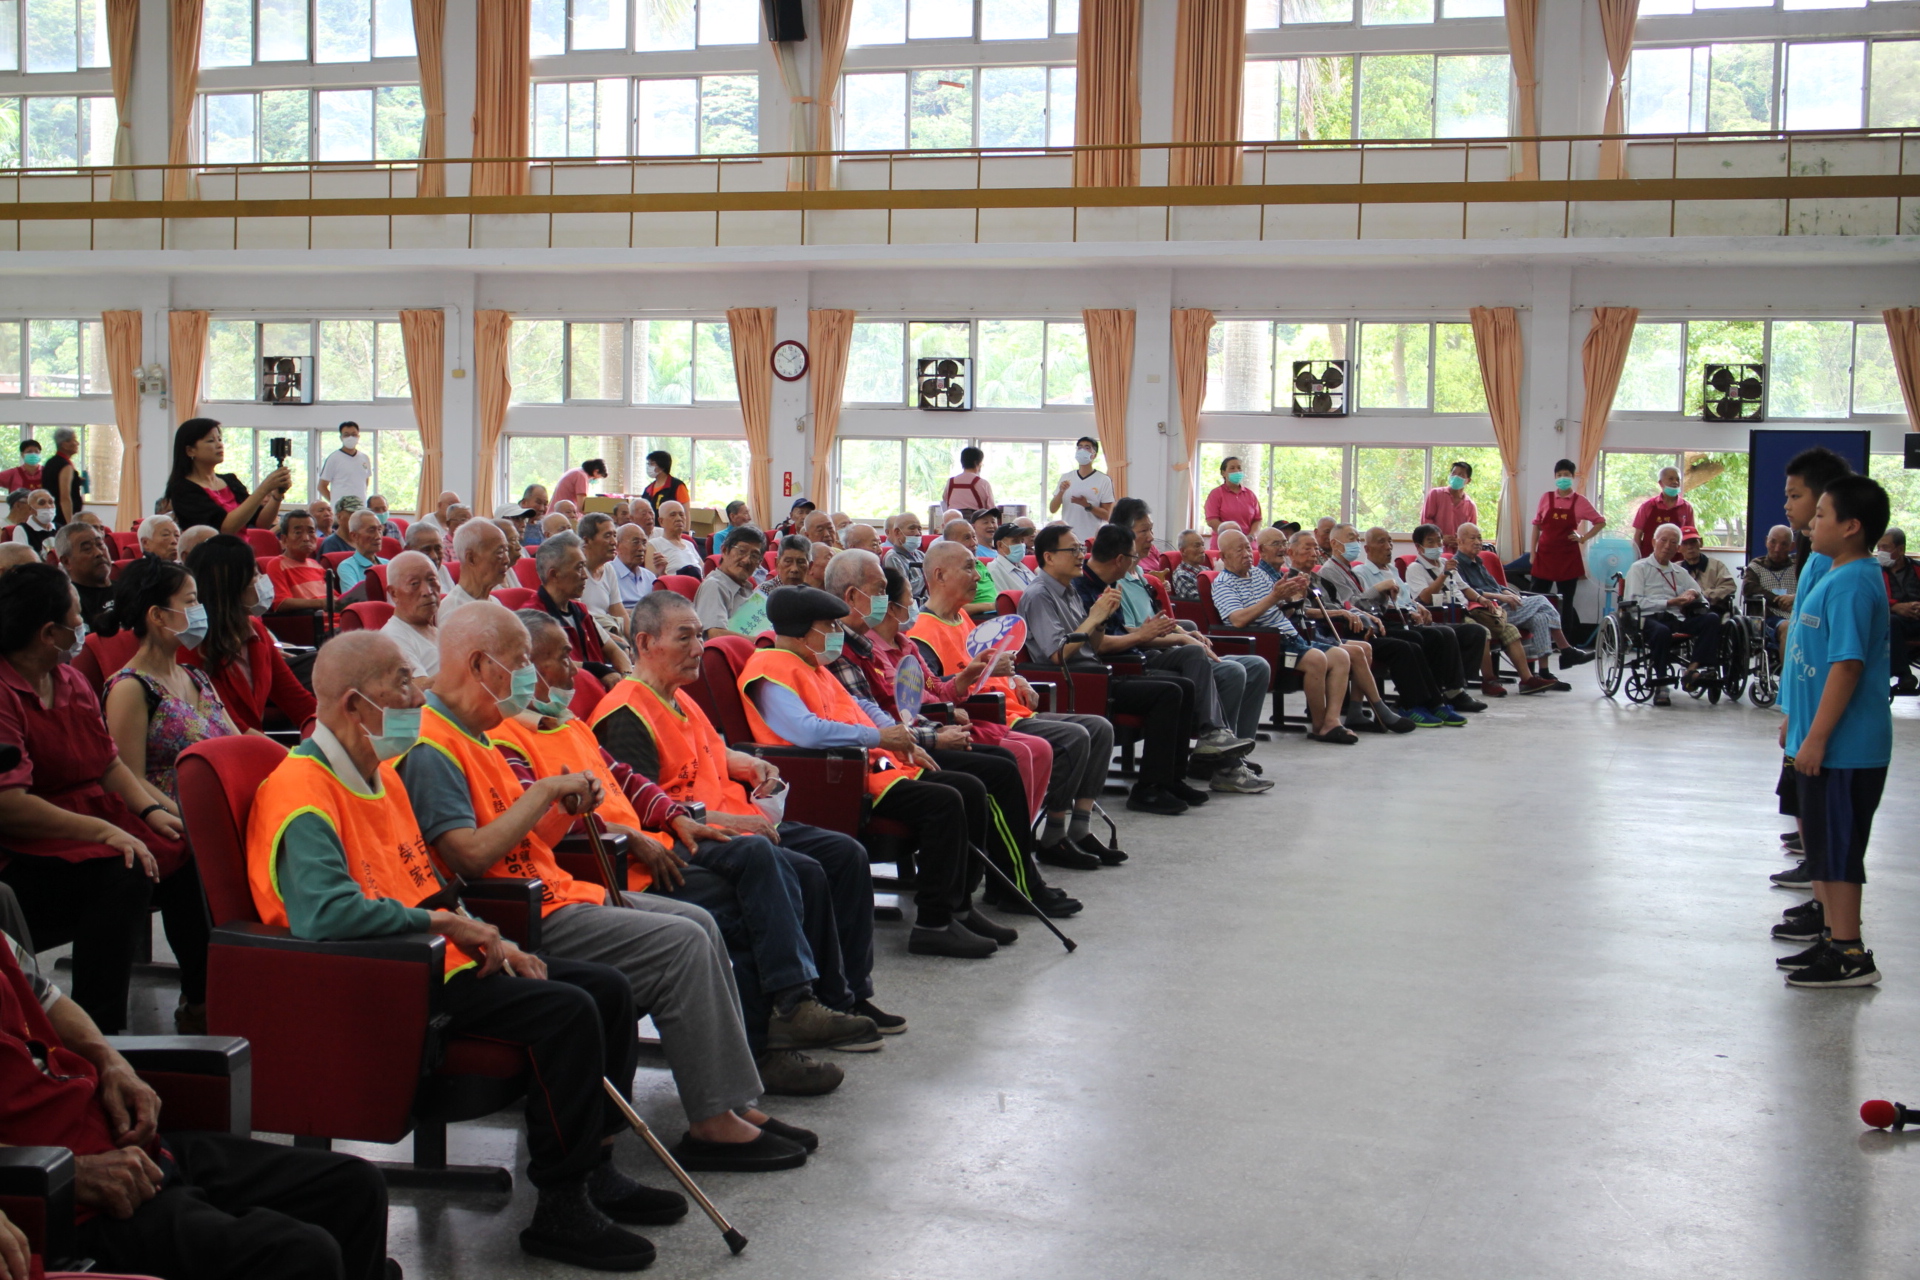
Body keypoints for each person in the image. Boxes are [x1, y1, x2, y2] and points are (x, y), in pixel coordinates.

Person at [252, 631, 679, 1270]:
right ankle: (561, 1205)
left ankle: (596, 1168)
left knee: (606, 990)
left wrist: (491, 934)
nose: (415, 694)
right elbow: (325, 912)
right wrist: (454, 930)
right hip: (381, 981)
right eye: (400, 682)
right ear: (351, 704)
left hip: (436, 961)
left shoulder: (379, 776)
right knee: (566, 1013)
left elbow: (434, 885)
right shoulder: (300, 790)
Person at [399, 604, 808, 1174]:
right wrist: (545, 795)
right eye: (521, 662)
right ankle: (711, 1121)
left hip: (556, 888)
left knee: (702, 925)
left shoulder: (481, 731)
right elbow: (465, 855)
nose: (532, 676)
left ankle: (733, 1102)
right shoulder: (433, 744)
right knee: (682, 943)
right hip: (518, 911)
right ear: (480, 664)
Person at [501, 610, 878, 1093]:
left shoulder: (569, 722)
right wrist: (656, 828)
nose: (577, 669)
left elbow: (631, 781)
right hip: (620, 859)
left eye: (702, 635)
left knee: (816, 861)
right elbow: (552, 814)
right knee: (747, 892)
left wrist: (703, 798)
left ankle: (822, 1001)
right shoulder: (595, 717)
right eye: (560, 659)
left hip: (677, 831)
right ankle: (775, 1030)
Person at [595, 595, 906, 1052]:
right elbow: (640, 808)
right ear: (644, 643)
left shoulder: (678, 697)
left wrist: (748, 764)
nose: (699, 647)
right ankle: (793, 1004)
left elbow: (707, 750)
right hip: (685, 836)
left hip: (731, 816)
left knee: (842, 854)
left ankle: (846, 997)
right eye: (685, 637)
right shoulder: (625, 713)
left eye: (701, 635)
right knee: (800, 869)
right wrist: (727, 820)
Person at [0, 924, 394, 1280]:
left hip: (123, 1143)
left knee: (355, 1188)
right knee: (302, 1254)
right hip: (63, 1198)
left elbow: (49, 1001)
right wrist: (73, 1173)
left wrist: (110, 1061)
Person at [738, 585, 1014, 955]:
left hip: (870, 767)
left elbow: (860, 706)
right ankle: (933, 923)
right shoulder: (767, 669)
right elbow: (806, 731)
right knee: (944, 801)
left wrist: (902, 739)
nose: (837, 632)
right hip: (829, 779)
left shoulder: (812, 664)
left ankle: (959, 907)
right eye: (829, 625)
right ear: (803, 629)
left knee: (970, 788)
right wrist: (878, 737)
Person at [0, 564, 204, 1035]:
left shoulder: (68, 680)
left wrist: (154, 812)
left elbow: (109, 764)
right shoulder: (5, 690)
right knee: (124, 874)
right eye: (76, 616)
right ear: (48, 632)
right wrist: (107, 832)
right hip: (28, 836)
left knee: (186, 851)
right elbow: (9, 802)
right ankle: (99, 1029)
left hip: (87, 814)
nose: (83, 625)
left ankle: (201, 998)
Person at [828, 548, 1081, 915]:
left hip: (913, 738)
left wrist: (961, 684)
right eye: (881, 590)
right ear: (853, 596)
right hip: (889, 755)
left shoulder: (879, 645)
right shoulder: (841, 650)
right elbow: (873, 717)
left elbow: (919, 695)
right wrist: (934, 734)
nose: (893, 603)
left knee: (1000, 764)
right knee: (993, 771)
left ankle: (994, 889)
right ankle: (1001, 889)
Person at [909, 544, 1125, 869]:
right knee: (1076, 737)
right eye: (969, 567)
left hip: (1014, 708)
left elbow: (997, 664)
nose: (978, 575)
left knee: (1100, 727)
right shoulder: (922, 634)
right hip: (990, 716)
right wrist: (981, 676)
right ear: (939, 575)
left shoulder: (964, 618)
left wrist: (1017, 680)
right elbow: (935, 691)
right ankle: (1051, 833)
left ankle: (1078, 826)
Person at [100, 557, 236, 1035]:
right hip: (165, 823)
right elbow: (126, 778)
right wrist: (188, 817)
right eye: (191, 602)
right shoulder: (130, 689)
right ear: (158, 616)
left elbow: (234, 749)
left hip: (217, 818)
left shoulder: (196, 678)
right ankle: (202, 998)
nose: (200, 611)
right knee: (197, 861)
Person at [1776, 474, 1894, 989]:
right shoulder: (1833, 575)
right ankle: (1831, 937)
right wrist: (1797, 725)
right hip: (1821, 741)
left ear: (1851, 527)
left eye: (1822, 514)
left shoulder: (1852, 583)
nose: (1812, 522)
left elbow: (1846, 667)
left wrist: (1819, 737)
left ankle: (1850, 953)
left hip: (1847, 748)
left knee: (1841, 850)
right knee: (1822, 845)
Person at [1021, 523, 1214, 806]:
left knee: (1182, 686)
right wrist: (1093, 617)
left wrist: (1102, 617)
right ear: (1049, 557)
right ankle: (1148, 788)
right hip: (1076, 680)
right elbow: (1057, 655)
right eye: (1073, 550)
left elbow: (1095, 645)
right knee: (1169, 692)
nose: (1081, 556)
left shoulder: (1069, 589)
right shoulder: (1039, 595)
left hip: (1096, 670)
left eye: (1081, 549)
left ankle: (1172, 780)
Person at [1111, 500, 1274, 776]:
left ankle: (1233, 752)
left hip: (1166, 650)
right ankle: (1222, 761)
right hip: (1146, 659)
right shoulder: (1114, 578)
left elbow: (1157, 622)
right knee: (1231, 671)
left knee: (1257, 666)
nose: (1151, 538)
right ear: (1123, 534)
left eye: (1151, 529)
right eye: (1144, 531)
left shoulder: (1139, 574)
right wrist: (1184, 640)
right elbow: (1134, 633)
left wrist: (1185, 631)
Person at [1318, 522, 1479, 728]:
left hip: (1374, 621)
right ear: (1335, 543)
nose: (1355, 544)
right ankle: (1413, 703)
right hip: (1356, 630)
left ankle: (1436, 699)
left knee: (1434, 636)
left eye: (1357, 539)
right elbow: (1352, 606)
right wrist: (1378, 589)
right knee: (1408, 643)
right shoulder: (1331, 571)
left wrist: (1391, 598)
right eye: (1351, 539)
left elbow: (1369, 605)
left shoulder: (1347, 569)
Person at [1208, 527, 1355, 743]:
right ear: (1223, 556)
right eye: (1239, 550)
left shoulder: (1258, 574)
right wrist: (1274, 597)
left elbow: (1282, 609)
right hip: (1269, 643)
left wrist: (1294, 596)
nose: (1247, 554)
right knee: (1317, 659)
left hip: (1290, 636)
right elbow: (1238, 620)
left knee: (1342, 657)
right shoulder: (1223, 583)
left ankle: (1332, 721)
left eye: (1248, 548)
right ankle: (1319, 725)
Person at [1269, 532, 1413, 734]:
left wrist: (1360, 613)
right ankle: (1378, 708)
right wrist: (1340, 612)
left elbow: (1340, 603)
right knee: (1358, 650)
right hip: (1307, 632)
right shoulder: (1289, 579)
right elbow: (1302, 610)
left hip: (1329, 627)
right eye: (1307, 548)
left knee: (1365, 647)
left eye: (1315, 548)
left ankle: (1356, 711)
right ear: (1291, 553)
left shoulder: (1318, 579)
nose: (1313, 553)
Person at [181, 536, 317, 733]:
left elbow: (297, 700)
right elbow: (231, 727)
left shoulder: (256, 631)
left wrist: (338, 737)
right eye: (255, 575)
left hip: (256, 746)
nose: (262, 581)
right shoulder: (193, 646)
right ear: (232, 586)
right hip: (225, 752)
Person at [1349, 524, 1489, 712]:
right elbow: (1369, 605)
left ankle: (1452, 688)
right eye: (1382, 542)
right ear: (1367, 549)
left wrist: (1418, 606)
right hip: (1394, 621)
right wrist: (1409, 612)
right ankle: (1440, 693)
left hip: (1413, 617)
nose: (1389, 546)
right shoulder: (1362, 573)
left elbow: (1408, 598)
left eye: (1390, 541)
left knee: (1474, 631)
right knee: (1441, 634)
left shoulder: (1392, 570)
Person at [1402, 524, 1553, 696]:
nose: (1436, 546)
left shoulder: (1445, 562)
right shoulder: (1415, 569)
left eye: (1438, 541)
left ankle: (1527, 679)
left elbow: (1465, 588)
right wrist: (1443, 574)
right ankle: (1489, 680)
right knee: (1482, 632)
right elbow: (1425, 598)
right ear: (1419, 546)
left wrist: (1482, 599)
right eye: (1430, 542)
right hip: (1446, 614)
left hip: (1469, 609)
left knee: (1509, 629)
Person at [1453, 523, 1591, 674]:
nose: (1478, 542)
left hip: (1502, 607)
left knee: (1541, 617)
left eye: (1479, 538)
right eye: (1472, 538)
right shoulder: (1457, 564)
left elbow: (1496, 586)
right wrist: (1500, 596)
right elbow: (1467, 591)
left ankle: (1544, 672)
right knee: (1540, 600)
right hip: (1487, 612)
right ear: (1460, 541)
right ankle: (1566, 649)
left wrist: (1509, 593)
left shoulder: (1478, 561)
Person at [1622, 523, 1722, 707]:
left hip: (1676, 619)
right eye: (1663, 540)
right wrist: (1669, 602)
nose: (1667, 546)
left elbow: (1701, 595)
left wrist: (1693, 593)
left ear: (1678, 548)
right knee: (1661, 632)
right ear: (1654, 542)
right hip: (1647, 618)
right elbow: (1635, 603)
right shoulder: (1639, 568)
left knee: (1712, 619)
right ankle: (1661, 682)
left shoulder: (1679, 572)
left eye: (1673, 542)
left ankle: (1691, 670)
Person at [163, 419, 290, 537]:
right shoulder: (183, 489)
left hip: (241, 553)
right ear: (190, 451)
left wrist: (277, 495)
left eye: (219, 439)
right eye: (210, 441)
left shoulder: (230, 481)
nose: (219, 445)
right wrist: (263, 488)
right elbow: (226, 528)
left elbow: (261, 522)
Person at [535, 531, 631, 680]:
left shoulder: (580, 610)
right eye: (579, 568)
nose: (585, 576)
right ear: (553, 574)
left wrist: (626, 675)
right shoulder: (534, 616)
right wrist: (599, 670)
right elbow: (546, 665)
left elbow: (613, 650)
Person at [1529, 457, 1606, 636]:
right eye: (1559, 475)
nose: (1563, 477)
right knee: (1536, 598)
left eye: (1567, 475)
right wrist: (1533, 552)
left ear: (1573, 477)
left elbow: (1600, 522)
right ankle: (1535, 635)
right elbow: (1536, 525)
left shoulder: (1580, 501)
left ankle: (1566, 642)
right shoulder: (1546, 498)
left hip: (1567, 558)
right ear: (1555, 477)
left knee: (1566, 601)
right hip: (1545, 555)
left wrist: (1583, 538)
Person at [379, 550, 442, 684]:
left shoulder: (441, 628)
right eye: (414, 584)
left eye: (432, 580)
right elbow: (418, 690)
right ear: (394, 594)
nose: (428, 591)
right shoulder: (392, 638)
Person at [695, 524, 767, 637]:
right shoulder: (714, 585)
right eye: (741, 551)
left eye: (754, 556)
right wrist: (763, 643)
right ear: (724, 550)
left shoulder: (747, 587)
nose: (747, 560)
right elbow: (715, 634)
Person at [577, 512, 632, 658]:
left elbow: (619, 611)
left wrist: (636, 642)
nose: (614, 542)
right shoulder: (575, 571)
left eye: (615, 535)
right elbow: (577, 618)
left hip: (609, 632)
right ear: (586, 541)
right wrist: (609, 639)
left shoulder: (608, 569)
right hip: (588, 634)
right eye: (607, 536)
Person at [440, 517, 511, 623]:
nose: (507, 560)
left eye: (506, 551)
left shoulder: (494, 602)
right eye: (499, 552)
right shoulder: (455, 610)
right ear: (471, 558)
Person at [1877, 528, 1920, 694]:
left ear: (1900, 549)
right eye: (1878, 547)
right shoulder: (1876, 572)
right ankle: (1904, 675)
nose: (1881, 552)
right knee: (1891, 621)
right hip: (1894, 622)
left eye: (1885, 547)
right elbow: (1873, 598)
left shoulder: (1916, 569)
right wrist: (1895, 606)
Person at [1049, 435, 1115, 542]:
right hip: (1068, 538)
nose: (1082, 450)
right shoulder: (1066, 477)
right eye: (1080, 447)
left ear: (1094, 455)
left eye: (1087, 447)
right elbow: (1052, 509)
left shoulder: (1103, 480)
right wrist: (1061, 492)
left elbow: (1108, 515)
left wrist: (1087, 505)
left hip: (1092, 538)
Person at [58, 520, 118, 634]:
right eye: (87, 549)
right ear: (67, 562)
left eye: (100, 545)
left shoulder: (127, 589)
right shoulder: (69, 603)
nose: (98, 553)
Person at [265, 508, 329, 613]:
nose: (306, 538)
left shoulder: (315, 565)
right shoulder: (277, 564)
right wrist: (321, 603)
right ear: (284, 539)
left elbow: (332, 597)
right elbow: (281, 603)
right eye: (298, 532)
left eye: (311, 531)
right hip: (316, 623)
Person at [1631, 465, 1695, 559]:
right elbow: (1638, 534)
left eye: (1678, 479)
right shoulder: (1648, 506)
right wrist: (1636, 558)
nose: (1675, 482)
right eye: (1671, 479)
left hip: (1676, 560)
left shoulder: (1686, 507)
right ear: (1661, 483)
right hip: (1649, 558)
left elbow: (1690, 536)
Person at [940, 518, 1000, 616]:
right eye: (967, 538)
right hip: (979, 620)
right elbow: (952, 608)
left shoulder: (979, 563)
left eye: (974, 537)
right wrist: (992, 606)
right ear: (951, 543)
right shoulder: (950, 571)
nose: (974, 543)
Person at [1743, 524, 1799, 623]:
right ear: (1766, 541)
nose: (1777, 549)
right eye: (1773, 542)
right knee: (1786, 627)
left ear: (1792, 546)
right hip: (1768, 617)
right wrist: (1779, 601)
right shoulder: (1756, 566)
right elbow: (1749, 588)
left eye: (1784, 544)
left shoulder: (1798, 565)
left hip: (1797, 614)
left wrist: (1794, 598)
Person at [1419, 460, 1478, 547]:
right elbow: (1426, 521)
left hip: (1459, 552)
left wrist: (1460, 541)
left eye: (1461, 475)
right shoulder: (1435, 494)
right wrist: (1440, 537)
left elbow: (1472, 532)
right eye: (1453, 473)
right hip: (1435, 548)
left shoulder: (1470, 505)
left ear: (1468, 480)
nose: (1456, 477)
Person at [1677, 526, 1737, 608]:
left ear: (1701, 543)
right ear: (1678, 548)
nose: (1690, 547)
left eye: (1693, 542)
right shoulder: (1675, 569)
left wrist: (1701, 595)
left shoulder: (1717, 566)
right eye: (1685, 543)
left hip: (1712, 609)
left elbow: (1729, 587)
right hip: (1683, 612)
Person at [315, 422, 371, 506]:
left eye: (353, 434)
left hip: (360, 508)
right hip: (341, 511)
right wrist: (336, 503)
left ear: (358, 436)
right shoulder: (334, 458)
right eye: (346, 435)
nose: (350, 437)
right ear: (341, 438)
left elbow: (365, 480)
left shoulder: (364, 458)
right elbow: (321, 487)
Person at [1204, 455, 1262, 537]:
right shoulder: (1216, 494)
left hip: (1248, 543)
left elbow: (1257, 520)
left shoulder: (1250, 495)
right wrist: (1232, 536)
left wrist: (1251, 536)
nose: (1237, 471)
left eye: (1239, 468)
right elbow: (1212, 520)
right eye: (1232, 468)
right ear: (1223, 473)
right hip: (1223, 542)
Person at [612, 522, 663, 610]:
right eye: (635, 542)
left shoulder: (649, 576)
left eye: (644, 543)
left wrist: (662, 573)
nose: (642, 548)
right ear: (617, 545)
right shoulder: (607, 573)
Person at [334, 509, 387, 593]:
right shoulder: (348, 567)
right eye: (371, 530)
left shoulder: (388, 564)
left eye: (380, 529)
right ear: (354, 536)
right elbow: (353, 601)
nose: (378, 536)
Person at [43, 426, 84, 527]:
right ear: (64, 444)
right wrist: (70, 524)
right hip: (61, 518)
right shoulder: (64, 465)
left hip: (52, 513)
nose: (77, 443)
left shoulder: (51, 462)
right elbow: (64, 497)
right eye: (74, 440)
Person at [405, 518, 457, 594]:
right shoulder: (401, 577)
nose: (434, 556)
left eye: (438, 549)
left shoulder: (442, 570)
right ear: (408, 550)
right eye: (426, 550)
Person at [650, 501, 702, 577]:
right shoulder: (653, 545)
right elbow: (651, 578)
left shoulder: (689, 544)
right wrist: (662, 573)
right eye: (673, 515)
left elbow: (705, 572)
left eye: (681, 515)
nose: (678, 518)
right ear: (661, 521)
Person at [883, 513, 927, 600]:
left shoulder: (921, 554)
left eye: (919, 529)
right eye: (912, 529)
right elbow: (903, 593)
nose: (918, 533)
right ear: (897, 532)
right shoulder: (893, 558)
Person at [986, 521, 1035, 596]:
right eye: (1015, 541)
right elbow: (1002, 602)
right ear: (1000, 545)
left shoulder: (1021, 566)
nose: (1021, 545)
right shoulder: (994, 569)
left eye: (1022, 541)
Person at [940, 446, 993, 515]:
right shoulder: (983, 483)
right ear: (977, 463)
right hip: (975, 523)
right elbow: (991, 508)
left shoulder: (951, 482)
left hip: (953, 521)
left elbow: (945, 500)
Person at [4, 488, 56, 555]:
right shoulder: (22, 530)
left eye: (51, 502)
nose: (48, 507)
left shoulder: (59, 528)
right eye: (41, 503)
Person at [1169, 528, 1210, 602]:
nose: (1202, 550)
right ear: (1183, 551)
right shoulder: (1181, 574)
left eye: (1202, 545)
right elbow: (1199, 600)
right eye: (1197, 546)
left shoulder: (1206, 569)